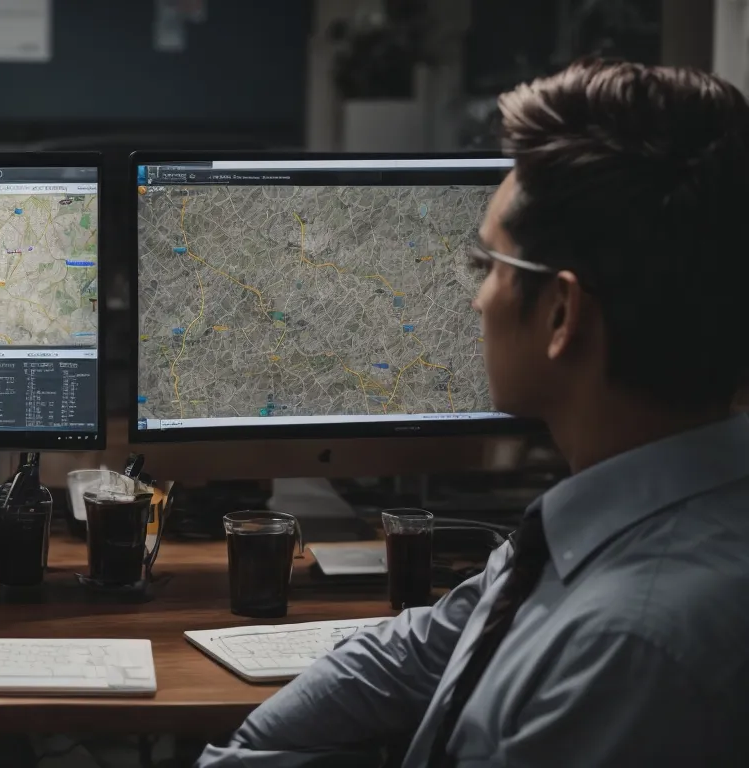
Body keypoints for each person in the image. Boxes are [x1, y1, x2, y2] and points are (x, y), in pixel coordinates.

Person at [198, 59, 749, 767]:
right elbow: (424, 647)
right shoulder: (605, 521)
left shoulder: (627, 653)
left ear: (560, 313)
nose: (476, 298)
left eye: (488, 265)